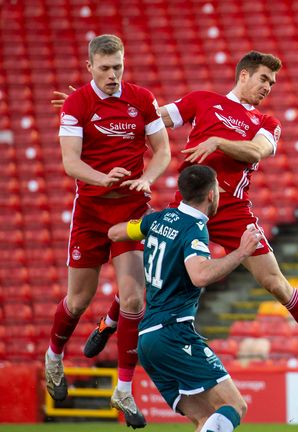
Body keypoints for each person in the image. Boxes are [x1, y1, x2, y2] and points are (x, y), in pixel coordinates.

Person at [153, 50, 298, 384]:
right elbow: (154, 119)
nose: (268, 87)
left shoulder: (266, 123)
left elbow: (255, 151)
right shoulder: (202, 101)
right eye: (264, 79)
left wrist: (217, 140)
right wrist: (102, 109)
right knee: (152, 269)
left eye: (273, 83)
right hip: (189, 207)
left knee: (275, 283)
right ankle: (112, 323)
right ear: (244, 75)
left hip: (233, 209)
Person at [45, 34, 170, 428]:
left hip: (131, 211)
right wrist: (104, 178)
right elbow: (70, 163)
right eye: (106, 68)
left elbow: (163, 151)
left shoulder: (141, 98)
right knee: (77, 301)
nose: (114, 75)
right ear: (90, 68)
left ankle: (124, 390)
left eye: (119, 66)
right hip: (91, 214)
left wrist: (147, 178)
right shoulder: (77, 103)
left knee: (135, 299)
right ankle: (54, 356)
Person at [108, 165, 261, 432]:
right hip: (174, 332)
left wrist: (144, 229)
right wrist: (241, 252)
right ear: (212, 195)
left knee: (205, 419)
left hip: (147, 340)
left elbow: (115, 232)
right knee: (235, 406)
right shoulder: (195, 228)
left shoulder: (158, 220)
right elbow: (200, 275)